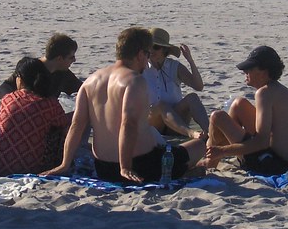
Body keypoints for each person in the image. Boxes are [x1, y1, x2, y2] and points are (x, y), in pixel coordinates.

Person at [42, 27, 206, 184]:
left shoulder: (91, 81)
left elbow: (77, 125)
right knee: (199, 145)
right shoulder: (134, 81)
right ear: (141, 54)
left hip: (103, 166)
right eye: (147, 55)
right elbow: (128, 124)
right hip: (142, 164)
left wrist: (65, 164)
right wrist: (125, 167)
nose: (147, 60)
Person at [200, 45, 288, 175]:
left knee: (217, 117)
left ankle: (209, 162)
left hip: (273, 165)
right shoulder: (277, 90)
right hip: (286, 161)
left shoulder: (264, 93)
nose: (245, 72)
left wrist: (223, 151)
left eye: (249, 69)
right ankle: (212, 154)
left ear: (263, 72)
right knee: (239, 104)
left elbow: (261, 142)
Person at [0, 58, 69, 175]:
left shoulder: (7, 99)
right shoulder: (50, 103)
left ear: (20, 80)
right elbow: (65, 125)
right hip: (29, 168)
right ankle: (61, 165)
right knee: (60, 130)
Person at [143, 27, 208, 138]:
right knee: (161, 106)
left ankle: (211, 132)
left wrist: (190, 60)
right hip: (153, 123)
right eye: (149, 47)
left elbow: (198, 86)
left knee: (192, 97)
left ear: (164, 50)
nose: (151, 51)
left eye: (156, 47)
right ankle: (192, 134)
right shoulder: (142, 67)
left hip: (177, 121)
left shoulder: (174, 66)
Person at [0, 33, 82, 100]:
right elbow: (0, 91)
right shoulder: (28, 68)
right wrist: (19, 103)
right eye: (71, 57)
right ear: (59, 58)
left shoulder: (63, 73)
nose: (74, 60)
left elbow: (83, 89)